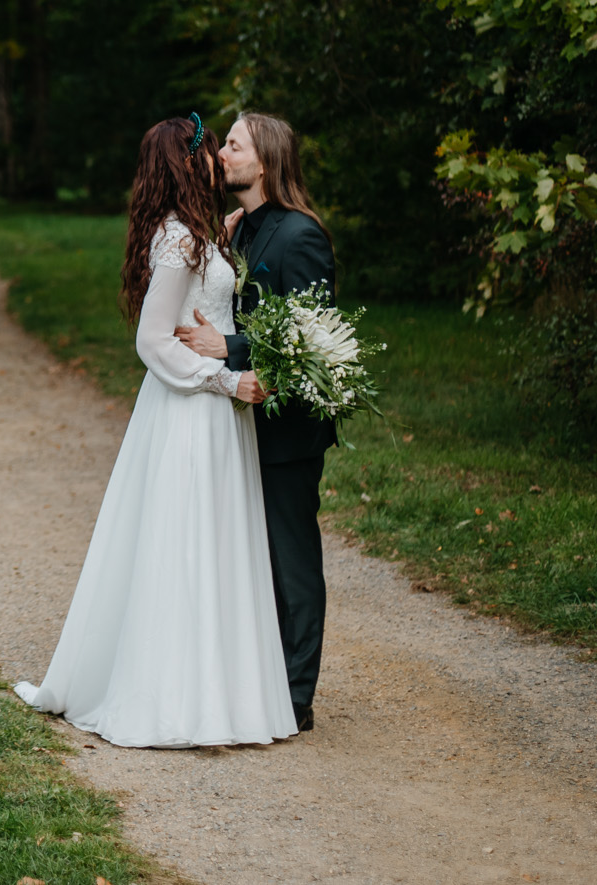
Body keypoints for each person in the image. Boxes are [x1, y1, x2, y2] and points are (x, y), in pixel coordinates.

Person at [12, 115, 297, 748]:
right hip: (192, 409)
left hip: (216, 416)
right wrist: (226, 381)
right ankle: (174, 700)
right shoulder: (177, 239)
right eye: (209, 149)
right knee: (185, 546)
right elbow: (153, 340)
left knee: (216, 546)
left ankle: (220, 696)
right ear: (187, 164)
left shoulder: (199, 233)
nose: (218, 158)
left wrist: (222, 239)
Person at [175, 111, 336, 732]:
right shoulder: (238, 229)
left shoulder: (300, 236)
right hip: (239, 424)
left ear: (264, 161)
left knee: (290, 563)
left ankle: (295, 699)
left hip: (286, 431)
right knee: (249, 561)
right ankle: (258, 686)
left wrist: (229, 348)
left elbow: (312, 339)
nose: (221, 154)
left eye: (234, 146)